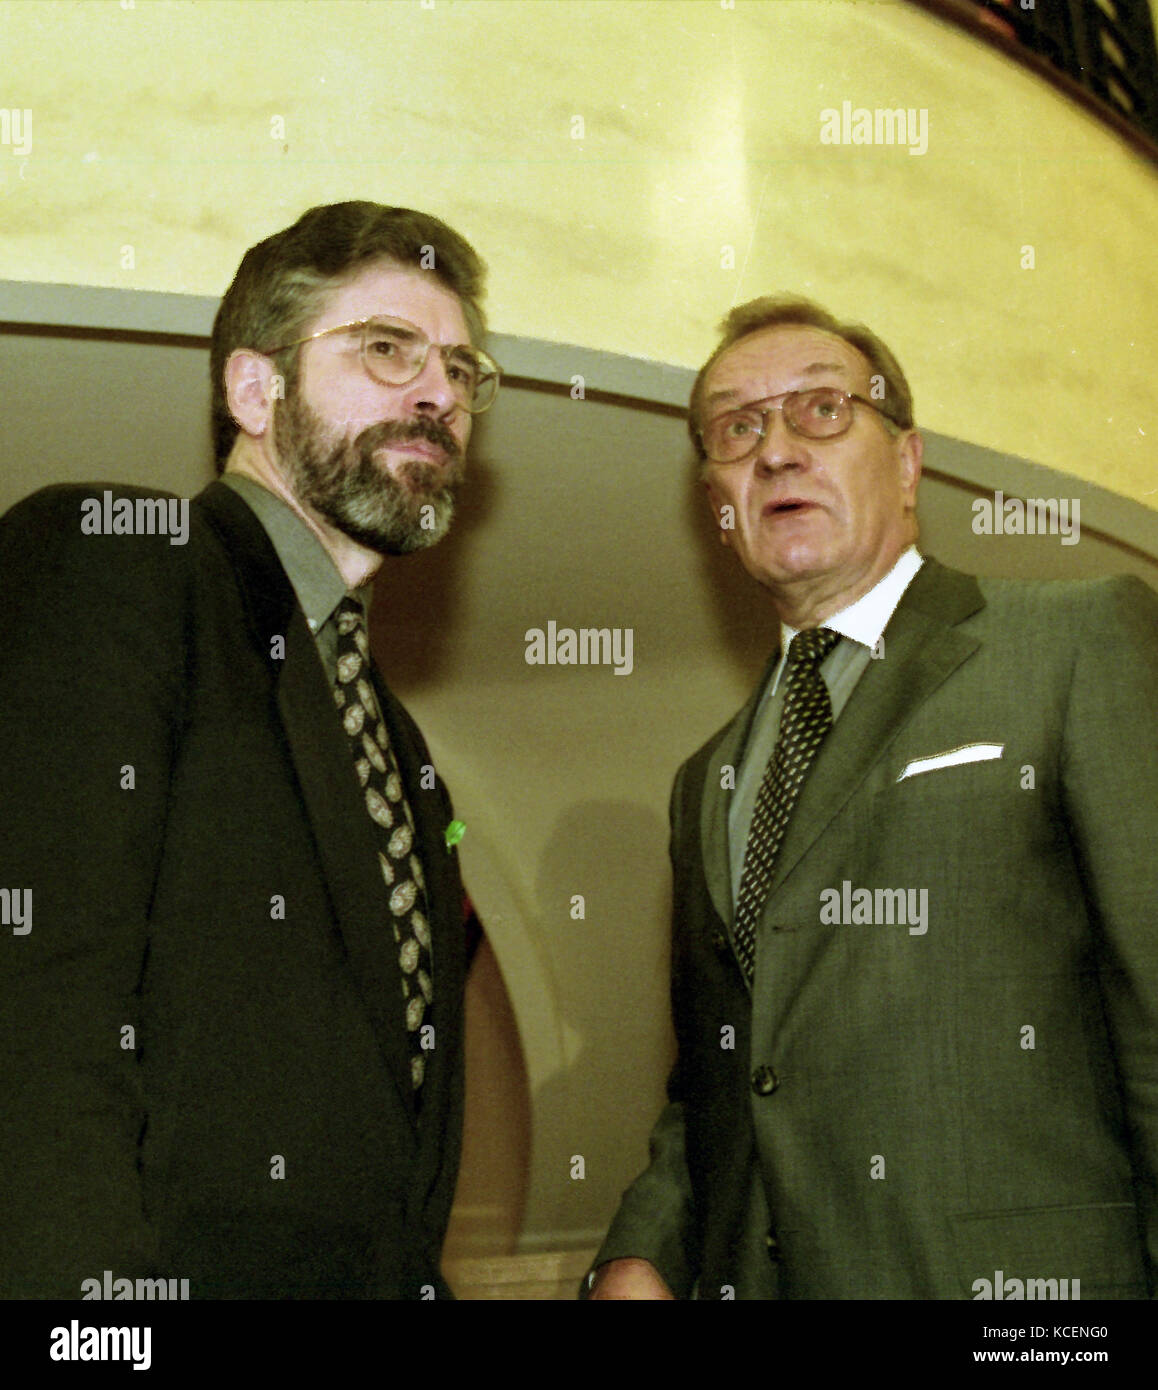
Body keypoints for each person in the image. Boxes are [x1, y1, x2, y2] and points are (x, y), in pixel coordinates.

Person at [588, 296, 1158, 1299]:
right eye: (737, 428)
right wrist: (643, 1252)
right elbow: (727, 1075)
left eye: (819, 410)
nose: (775, 451)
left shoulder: (1074, 643)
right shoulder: (705, 778)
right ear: (715, 499)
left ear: (905, 462)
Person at [0, 201, 501, 1299]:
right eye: (387, 348)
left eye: (463, 372)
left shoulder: (401, 745)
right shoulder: (118, 563)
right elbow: (36, 1003)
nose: (440, 395)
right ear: (253, 388)